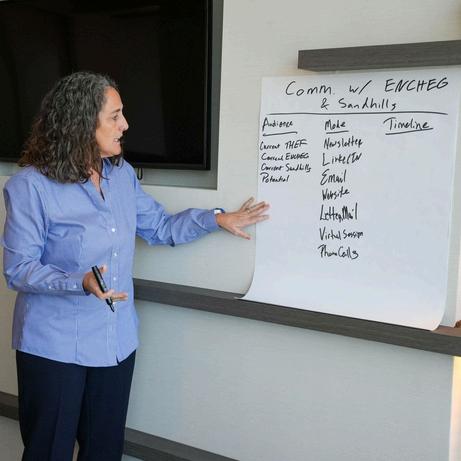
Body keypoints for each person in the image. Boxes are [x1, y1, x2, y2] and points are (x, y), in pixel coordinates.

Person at [1, 71, 269, 461]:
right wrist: (81, 281)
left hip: (115, 341)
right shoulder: (30, 186)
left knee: (105, 450)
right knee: (48, 452)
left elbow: (159, 227)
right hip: (54, 347)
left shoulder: (122, 176)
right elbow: (19, 268)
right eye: (115, 116)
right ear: (81, 123)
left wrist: (217, 219)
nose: (125, 125)